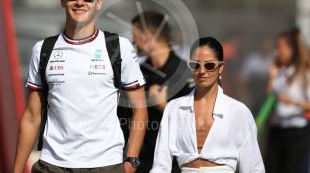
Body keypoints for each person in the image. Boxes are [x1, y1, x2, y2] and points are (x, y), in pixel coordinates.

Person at [13, 0, 147, 173]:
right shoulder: (43, 49)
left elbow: (140, 110)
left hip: (106, 165)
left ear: (98, 2)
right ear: (62, 0)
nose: (80, 1)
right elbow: (32, 116)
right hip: (53, 165)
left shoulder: (119, 46)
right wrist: (16, 169)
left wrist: (132, 162)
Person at [150, 37, 265, 173]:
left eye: (209, 65)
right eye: (196, 65)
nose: (202, 71)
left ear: (221, 67)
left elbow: (253, 167)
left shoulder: (238, 111)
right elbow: (160, 165)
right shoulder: (174, 109)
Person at [118, 11, 194, 172]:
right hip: (142, 162)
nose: (133, 41)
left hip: (175, 163)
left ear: (148, 35)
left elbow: (196, 126)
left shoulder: (184, 74)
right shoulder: (137, 73)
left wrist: (163, 106)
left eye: (135, 35)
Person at [265, 29, 310, 173]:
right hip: (277, 129)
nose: (278, 52)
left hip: (296, 132)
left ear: (292, 49)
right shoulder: (280, 71)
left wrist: (292, 102)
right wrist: (272, 76)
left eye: (281, 47)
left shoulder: (305, 73)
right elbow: (269, 97)